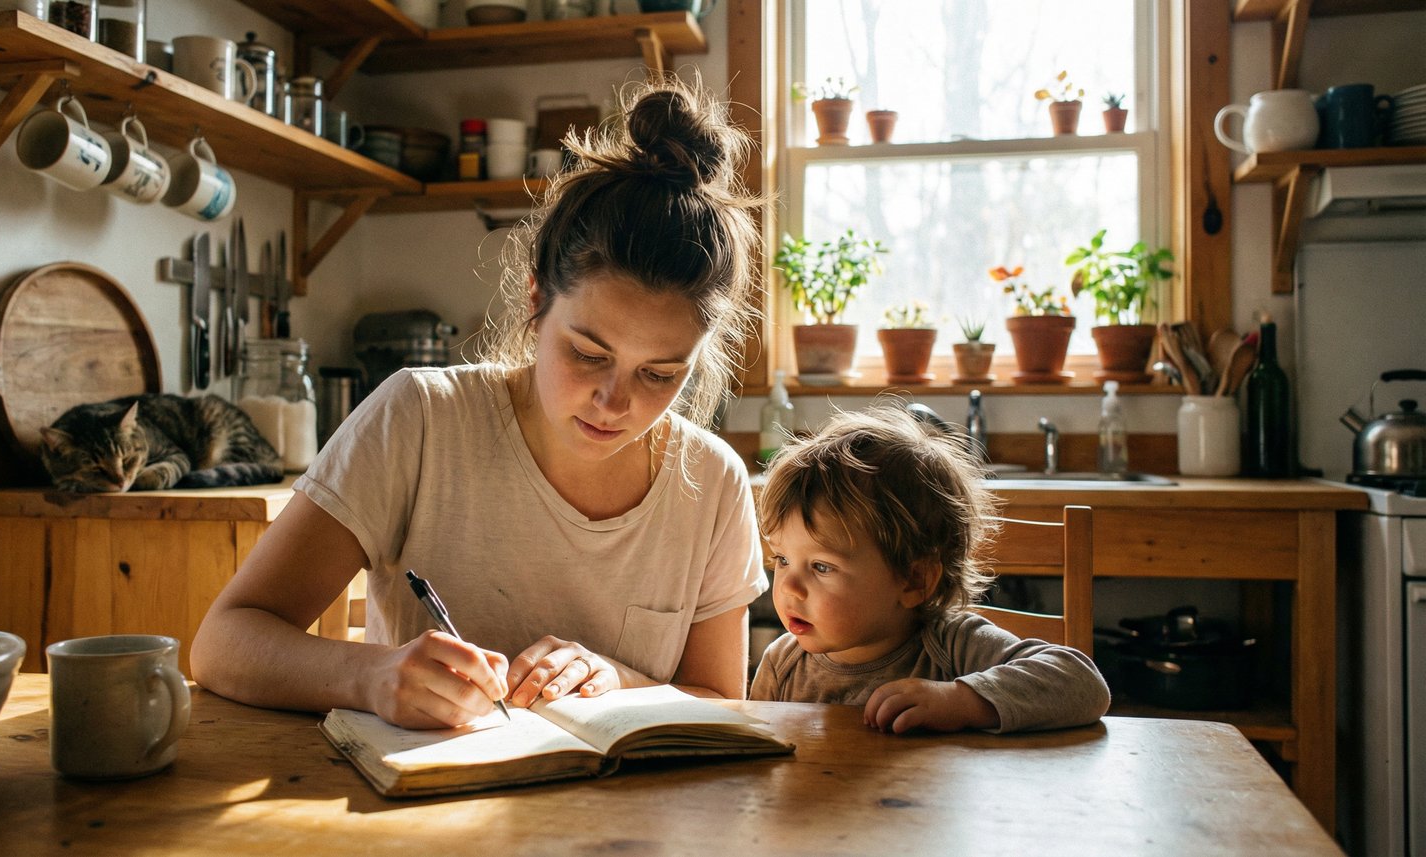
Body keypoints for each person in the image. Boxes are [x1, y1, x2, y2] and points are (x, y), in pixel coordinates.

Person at [191, 79, 768, 729]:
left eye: (661, 374)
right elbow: (223, 642)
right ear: (534, 302)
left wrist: (622, 681)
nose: (614, 401)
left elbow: (724, 700)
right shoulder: (420, 418)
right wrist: (370, 674)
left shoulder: (712, 482)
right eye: (587, 353)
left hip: (630, 827)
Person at [748, 403, 1111, 733]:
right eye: (781, 559)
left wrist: (962, 701)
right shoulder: (783, 665)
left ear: (915, 580)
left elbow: (1083, 683)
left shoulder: (952, 645)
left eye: (822, 567)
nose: (789, 587)